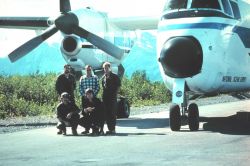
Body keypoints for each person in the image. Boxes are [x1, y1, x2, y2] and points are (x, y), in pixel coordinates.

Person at [101, 62, 121, 135]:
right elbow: (103, 87)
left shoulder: (115, 76)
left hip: (112, 97)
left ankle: (113, 129)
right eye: (104, 68)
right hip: (105, 97)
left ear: (110, 68)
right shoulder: (103, 78)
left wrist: (116, 94)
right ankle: (110, 129)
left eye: (107, 68)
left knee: (112, 113)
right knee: (107, 113)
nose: (105, 69)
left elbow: (118, 86)